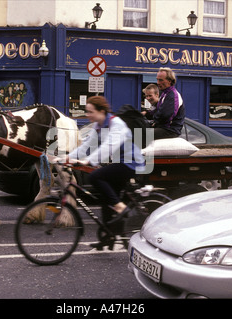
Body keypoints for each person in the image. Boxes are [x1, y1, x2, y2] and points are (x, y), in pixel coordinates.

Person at [66, 96, 145, 249]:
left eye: (91, 112)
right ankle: (108, 237)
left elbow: (108, 146)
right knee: (105, 199)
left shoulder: (117, 124)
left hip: (131, 163)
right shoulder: (98, 125)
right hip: (120, 162)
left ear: (102, 111)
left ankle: (120, 207)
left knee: (95, 176)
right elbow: (86, 145)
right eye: (86, 112)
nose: (88, 115)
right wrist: (67, 157)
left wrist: (88, 161)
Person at [143, 67, 185, 140]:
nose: (158, 82)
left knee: (139, 135)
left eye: (161, 80)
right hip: (164, 128)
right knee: (137, 127)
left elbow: (165, 115)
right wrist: (146, 113)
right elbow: (159, 111)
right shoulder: (165, 93)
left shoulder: (172, 95)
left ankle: (139, 151)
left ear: (169, 81)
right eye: (157, 79)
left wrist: (154, 121)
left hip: (170, 130)